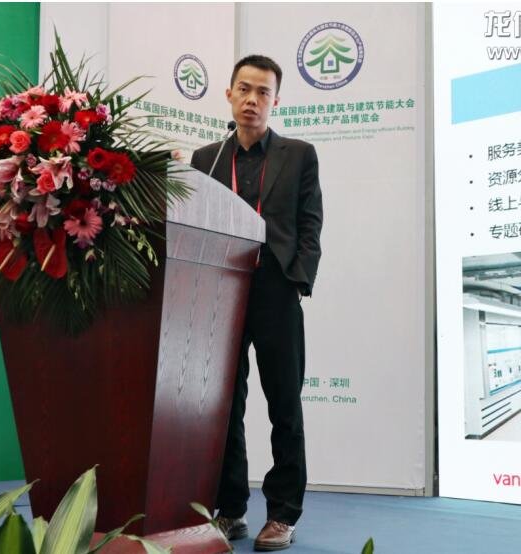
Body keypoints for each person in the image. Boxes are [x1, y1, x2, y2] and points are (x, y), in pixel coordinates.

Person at [190, 54, 322, 551]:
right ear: (228, 94)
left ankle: (283, 514)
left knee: (284, 405)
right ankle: (230, 509)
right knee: (225, 406)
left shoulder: (299, 154)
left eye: (263, 92)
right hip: (221, 291)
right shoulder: (207, 159)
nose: (252, 100)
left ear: (275, 100)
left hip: (274, 289)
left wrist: (296, 280)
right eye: (244, 89)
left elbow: (310, 224)